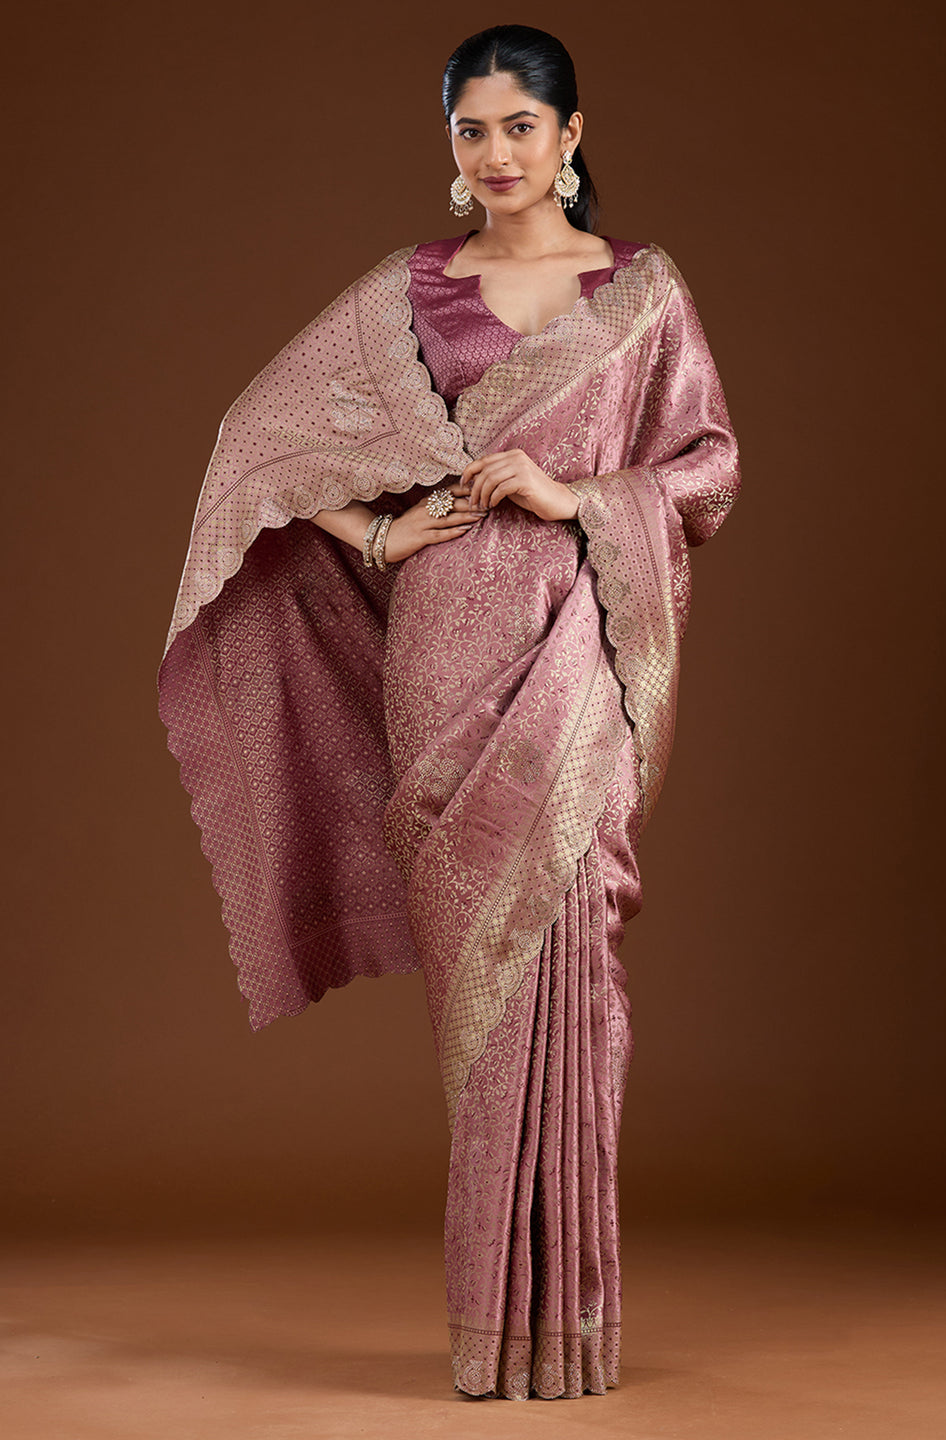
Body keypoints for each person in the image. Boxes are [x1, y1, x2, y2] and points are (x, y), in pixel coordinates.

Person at [157, 23, 741, 1402]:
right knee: (482, 977)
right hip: (441, 648)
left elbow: (708, 472)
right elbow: (256, 442)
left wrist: (571, 494)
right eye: (472, 130)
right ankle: (498, 1325)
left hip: (579, 644)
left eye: (520, 127)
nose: (496, 154)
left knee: (578, 952)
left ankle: (570, 1324)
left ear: (571, 136)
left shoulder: (643, 294)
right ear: (452, 146)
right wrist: (375, 534)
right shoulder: (409, 291)